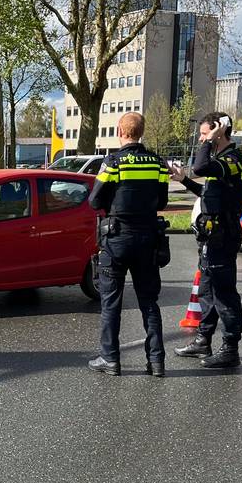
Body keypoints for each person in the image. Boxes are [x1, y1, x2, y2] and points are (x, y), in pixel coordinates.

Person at [87, 112, 169, 378]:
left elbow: (94, 201)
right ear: (141, 131)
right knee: (149, 302)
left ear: (120, 131)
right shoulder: (157, 163)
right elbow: (163, 202)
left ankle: (110, 359)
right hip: (147, 239)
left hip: (117, 240)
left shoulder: (112, 162)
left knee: (111, 303)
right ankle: (156, 362)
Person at [170, 112, 242, 369]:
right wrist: (184, 181)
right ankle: (203, 340)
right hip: (212, 234)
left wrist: (209, 140)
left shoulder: (233, 160)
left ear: (220, 130)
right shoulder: (222, 161)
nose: (202, 138)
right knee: (206, 289)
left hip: (223, 235)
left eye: (205, 133)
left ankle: (230, 348)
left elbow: (200, 167)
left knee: (224, 293)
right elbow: (207, 192)